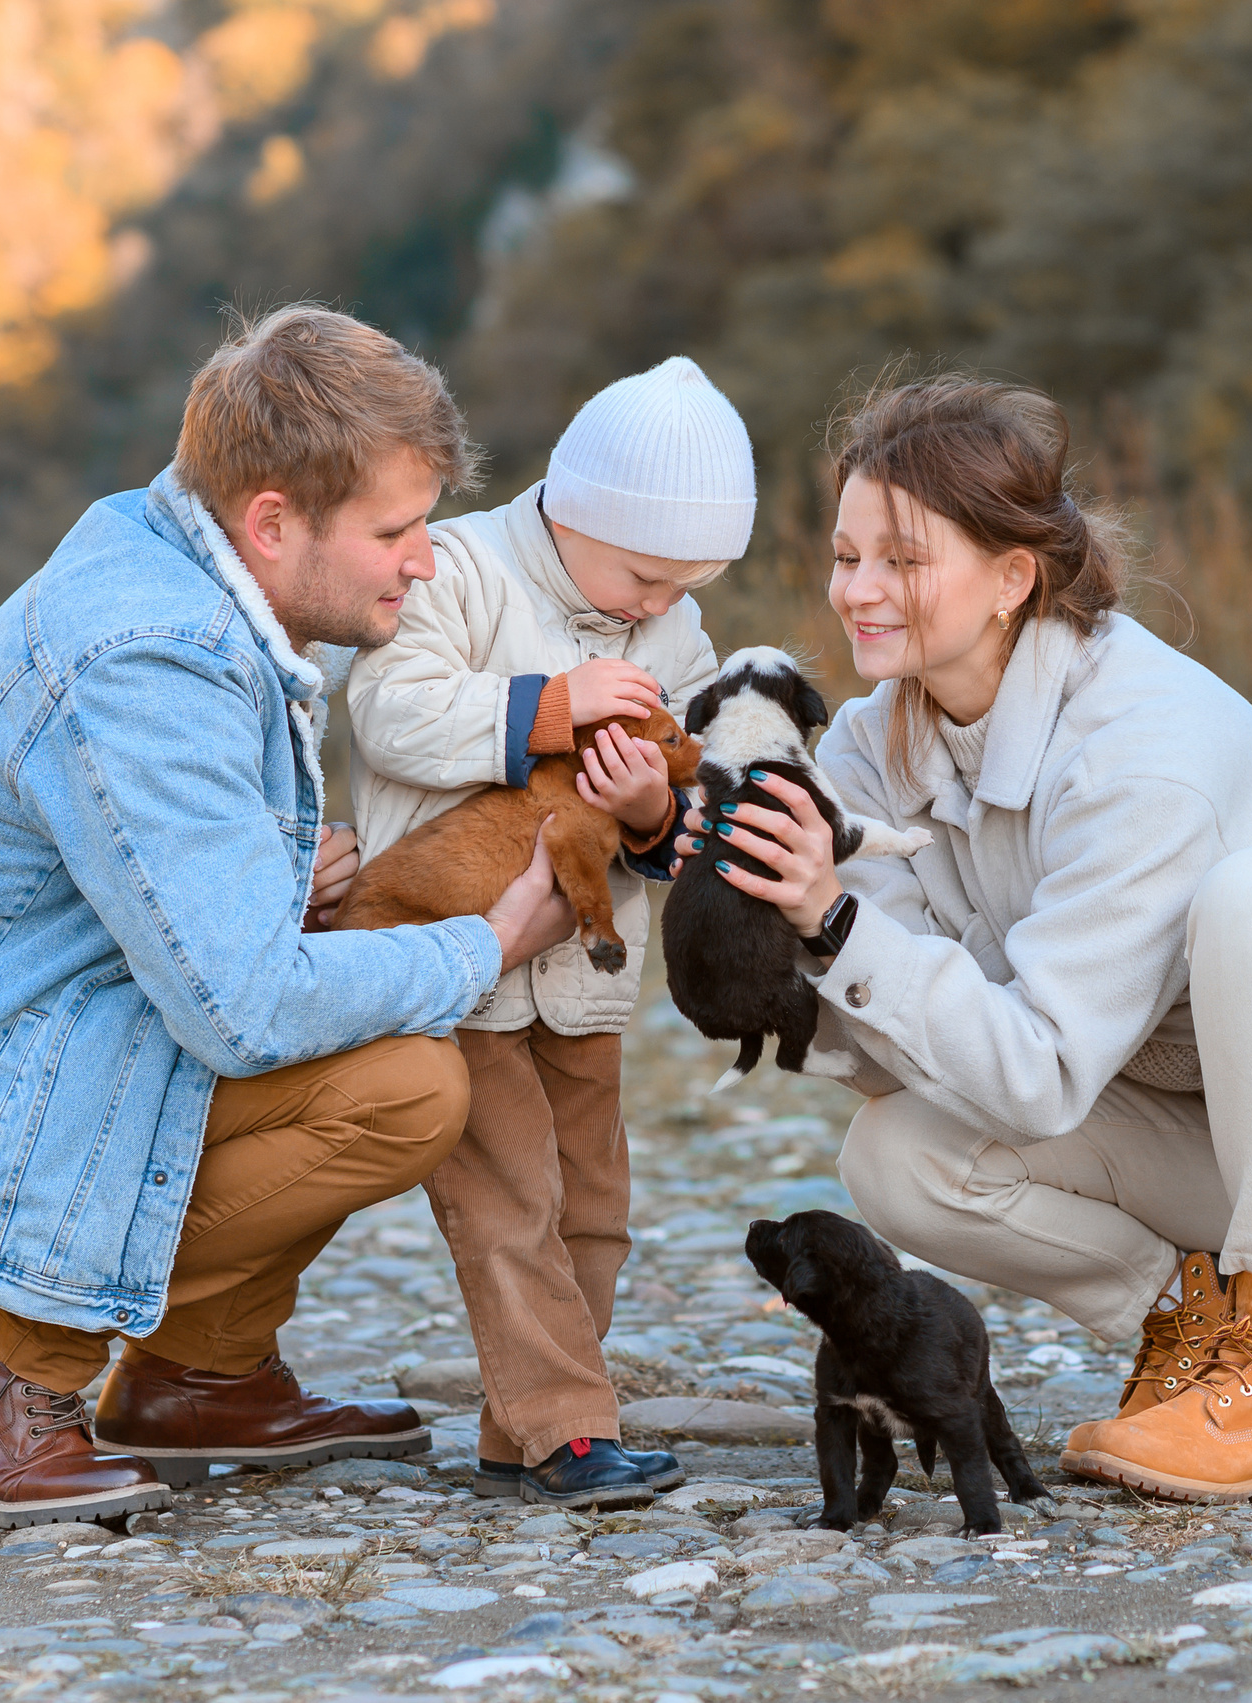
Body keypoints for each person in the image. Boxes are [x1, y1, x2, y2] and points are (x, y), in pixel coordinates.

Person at [0, 306, 579, 1527]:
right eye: (397, 531)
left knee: (390, 1067)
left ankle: (201, 1379)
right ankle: (1, 1362)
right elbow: (241, 1008)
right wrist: (489, 942)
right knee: (398, 1084)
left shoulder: (183, 568)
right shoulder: (153, 651)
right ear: (271, 521)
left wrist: (265, 882)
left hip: (28, 1031)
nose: (425, 561)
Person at [679, 375, 1252, 1503]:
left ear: (1012, 577)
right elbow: (909, 1047)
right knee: (895, 1156)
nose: (857, 590)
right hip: (1187, 1100)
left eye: (902, 561)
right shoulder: (863, 745)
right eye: (847, 555)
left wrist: (839, 915)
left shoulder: (1142, 743)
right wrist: (766, 932)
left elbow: (1039, 1074)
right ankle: (1190, 1328)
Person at [345, 357, 750, 1508]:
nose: (659, 604)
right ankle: (569, 1430)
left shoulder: (677, 634)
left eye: (690, 584)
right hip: (458, 956)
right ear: (572, 513)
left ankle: (521, 1422)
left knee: (592, 1204)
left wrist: (650, 812)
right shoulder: (460, 569)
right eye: (644, 574)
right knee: (507, 1198)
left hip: (584, 981)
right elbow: (387, 710)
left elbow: (696, 793)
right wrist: (546, 708)